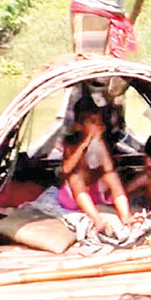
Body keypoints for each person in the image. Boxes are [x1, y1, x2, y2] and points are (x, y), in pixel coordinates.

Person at [58, 98, 134, 233]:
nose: (97, 125)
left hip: (95, 192)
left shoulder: (101, 143)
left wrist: (98, 140)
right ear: (81, 125)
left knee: (112, 176)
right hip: (76, 195)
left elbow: (109, 168)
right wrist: (85, 143)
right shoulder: (71, 143)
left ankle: (126, 216)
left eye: (99, 122)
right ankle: (96, 219)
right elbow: (66, 169)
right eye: (92, 122)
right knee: (75, 177)